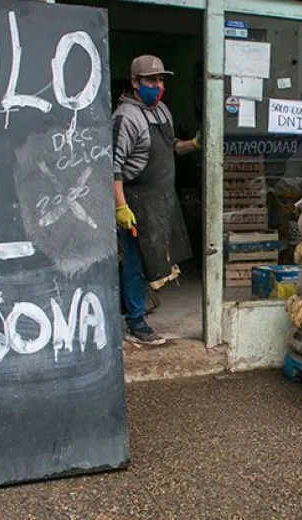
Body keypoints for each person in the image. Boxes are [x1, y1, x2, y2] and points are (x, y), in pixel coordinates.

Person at [113, 55, 201, 345]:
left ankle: (139, 313)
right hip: (135, 200)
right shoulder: (126, 117)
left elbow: (172, 146)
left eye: (161, 80)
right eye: (152, 80)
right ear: (136, 83)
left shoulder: (162, 110)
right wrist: (120, 206)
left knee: (158, 260)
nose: (158, 86)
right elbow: (112, 168)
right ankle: (136, 322)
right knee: (136, 263)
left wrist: (195, 145)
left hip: (161, 198)